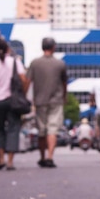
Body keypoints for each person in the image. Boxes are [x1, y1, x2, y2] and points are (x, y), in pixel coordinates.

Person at [0, 38, 27, 171]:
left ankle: (1, 158)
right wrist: (22, 94)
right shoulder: (15, 62)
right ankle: (10, 161)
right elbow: (23, 80)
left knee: (0, 129)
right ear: (8, 49)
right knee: (13, 129)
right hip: (13, 101)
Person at [26, 37, 68, 168]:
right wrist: (64, 97)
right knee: (52, 129)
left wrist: (25, 97)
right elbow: (64, 83)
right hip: (56, 101)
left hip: (39, 101)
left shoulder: (35, 63)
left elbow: (28, 81)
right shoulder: (60, 64)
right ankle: (50, 156)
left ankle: (42, 157)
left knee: (42, 130)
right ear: (53, 47)